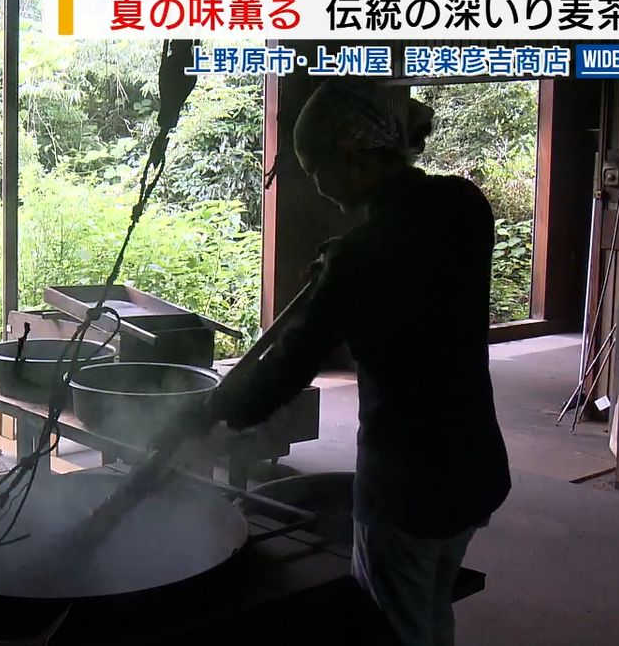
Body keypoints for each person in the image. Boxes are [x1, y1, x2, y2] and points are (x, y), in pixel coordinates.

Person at [208, 78, 512, 646]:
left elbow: (288, 368)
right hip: (474, 468)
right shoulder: (465, 206)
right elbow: (413, 251)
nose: (317, 184)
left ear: (351, 158)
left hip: (406, 487)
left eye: (316, 167)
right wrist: (341, 263)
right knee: (430, 609)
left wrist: (213, 411)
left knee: (388, 628)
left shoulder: (361, 256)